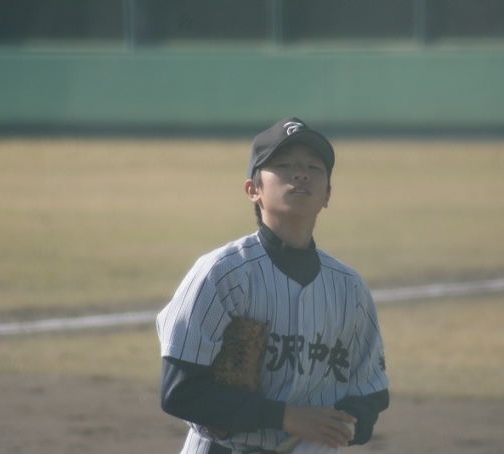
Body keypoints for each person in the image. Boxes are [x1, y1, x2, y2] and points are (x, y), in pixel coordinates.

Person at [156, 117, 389, 454]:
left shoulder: (349, 290)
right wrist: (284, 417)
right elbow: (179, 391)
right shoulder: (223, 274)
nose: (301, 174)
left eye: (313, 167)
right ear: (254, 190)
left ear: (327, 194)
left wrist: (337, 427)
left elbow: (371, 393)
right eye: (283, 165)